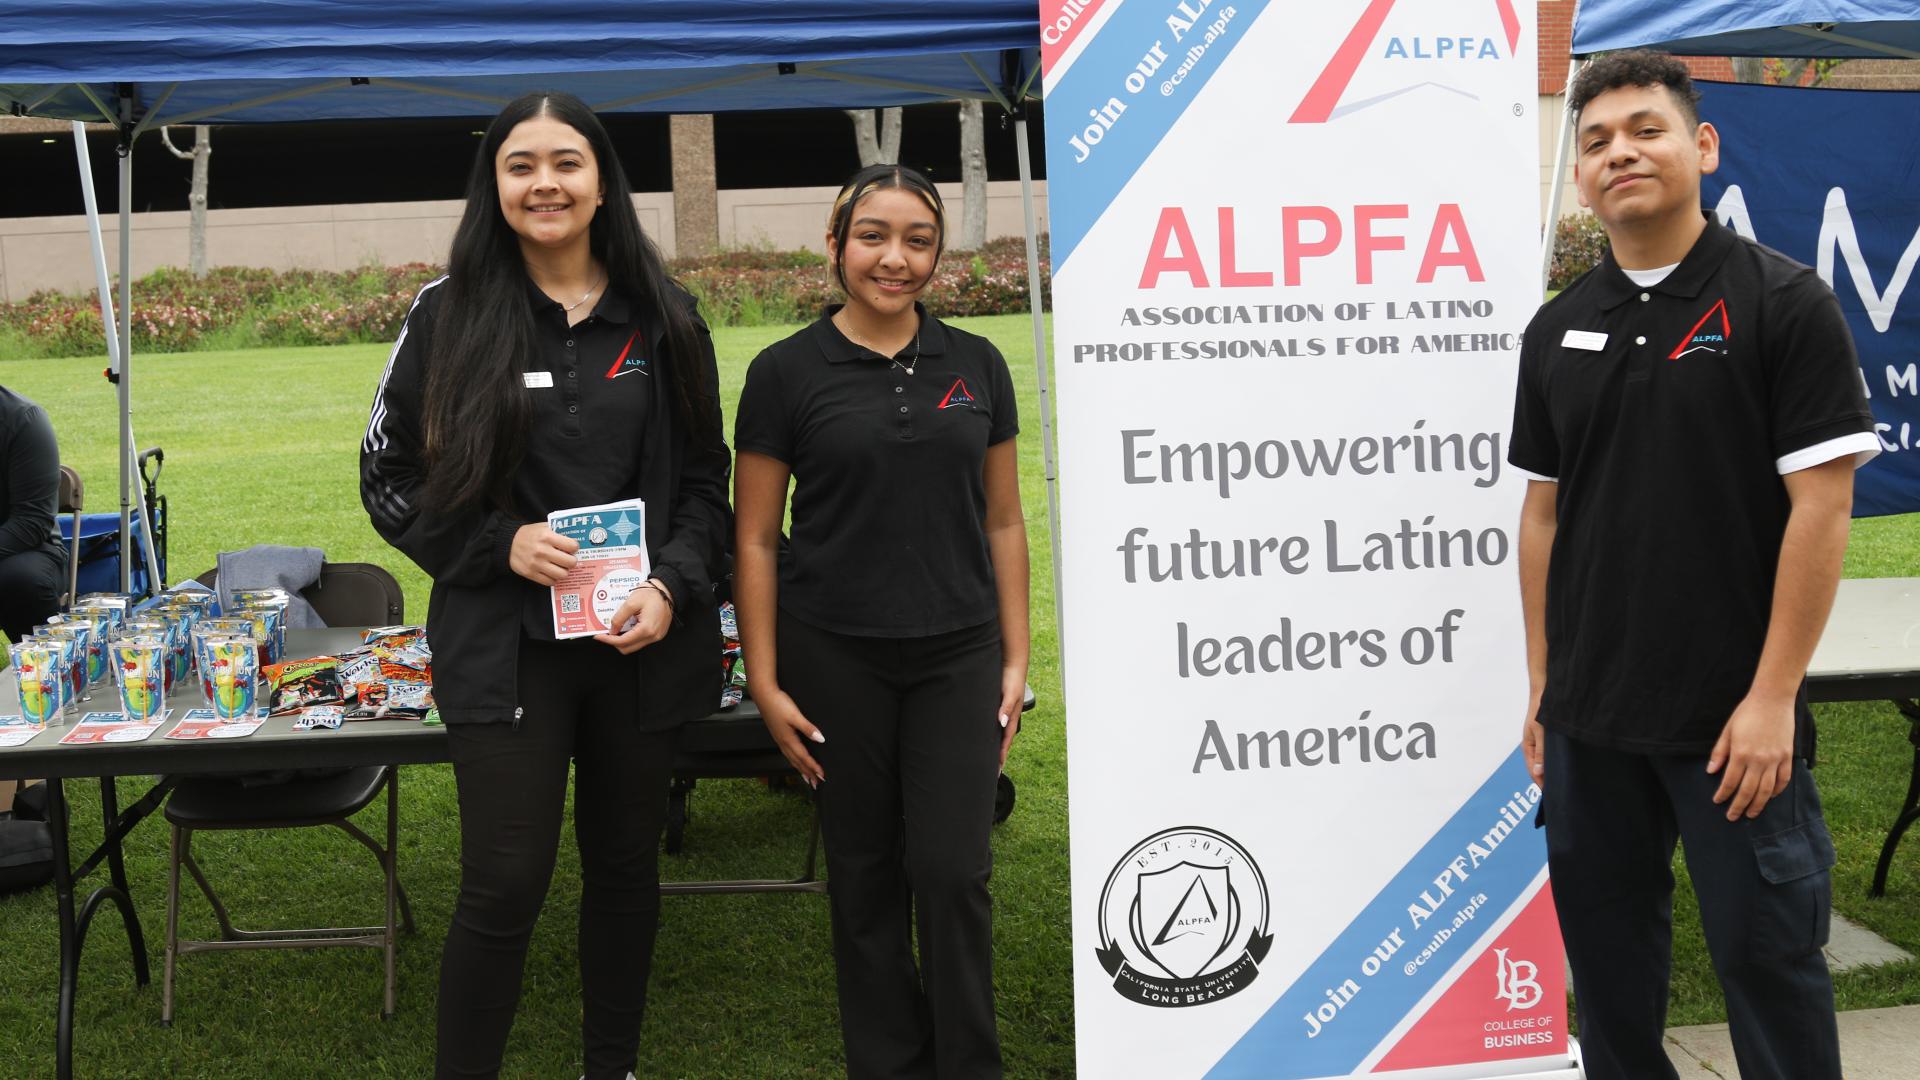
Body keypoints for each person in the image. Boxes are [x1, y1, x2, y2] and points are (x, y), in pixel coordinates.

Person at [1509, 51, 1878, 1080]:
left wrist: (1772, 697)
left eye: (1646, 129)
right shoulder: (1557, 327)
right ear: (1579, 171)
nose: (1620, 151)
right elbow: (1541, 519)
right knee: (1613, 987)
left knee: (1770, 969)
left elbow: (1824, 504)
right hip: (1590, 725)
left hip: (1732, 728)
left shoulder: (1782, 305)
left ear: (1702, 147)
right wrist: (1544, 686)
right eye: (1596, 140)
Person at [359, 91, 728, 1080]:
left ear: (602, 179)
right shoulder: (447, 315)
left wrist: (673, 588)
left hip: (638, 650)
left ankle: (611, 1066)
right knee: (505, 883)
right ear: (495, 186)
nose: (544, 183)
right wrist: (497, 542)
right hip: (505, 649)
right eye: (521, 165)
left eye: (566, 162)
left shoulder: (666, 316)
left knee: (623, 869)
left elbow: (705, 488)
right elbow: (384, 479)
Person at [732, 164, 1029, 1079]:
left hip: (958, 654)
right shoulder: (782, 373)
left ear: (937, 254)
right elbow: (754, 542)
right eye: (873, 236)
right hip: (835, 659)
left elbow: (1005, 520)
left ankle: (967, 1062)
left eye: (918, 240)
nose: (894, 259)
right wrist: (767, 682)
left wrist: (1017, 658)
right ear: (835, 243)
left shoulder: (977, 363)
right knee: (862, 877)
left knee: (952, 872)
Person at [0, 385, 65, 641]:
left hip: (25, 549)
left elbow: (32, 522)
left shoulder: (24, 419)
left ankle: (40, 668)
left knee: (21, 579)